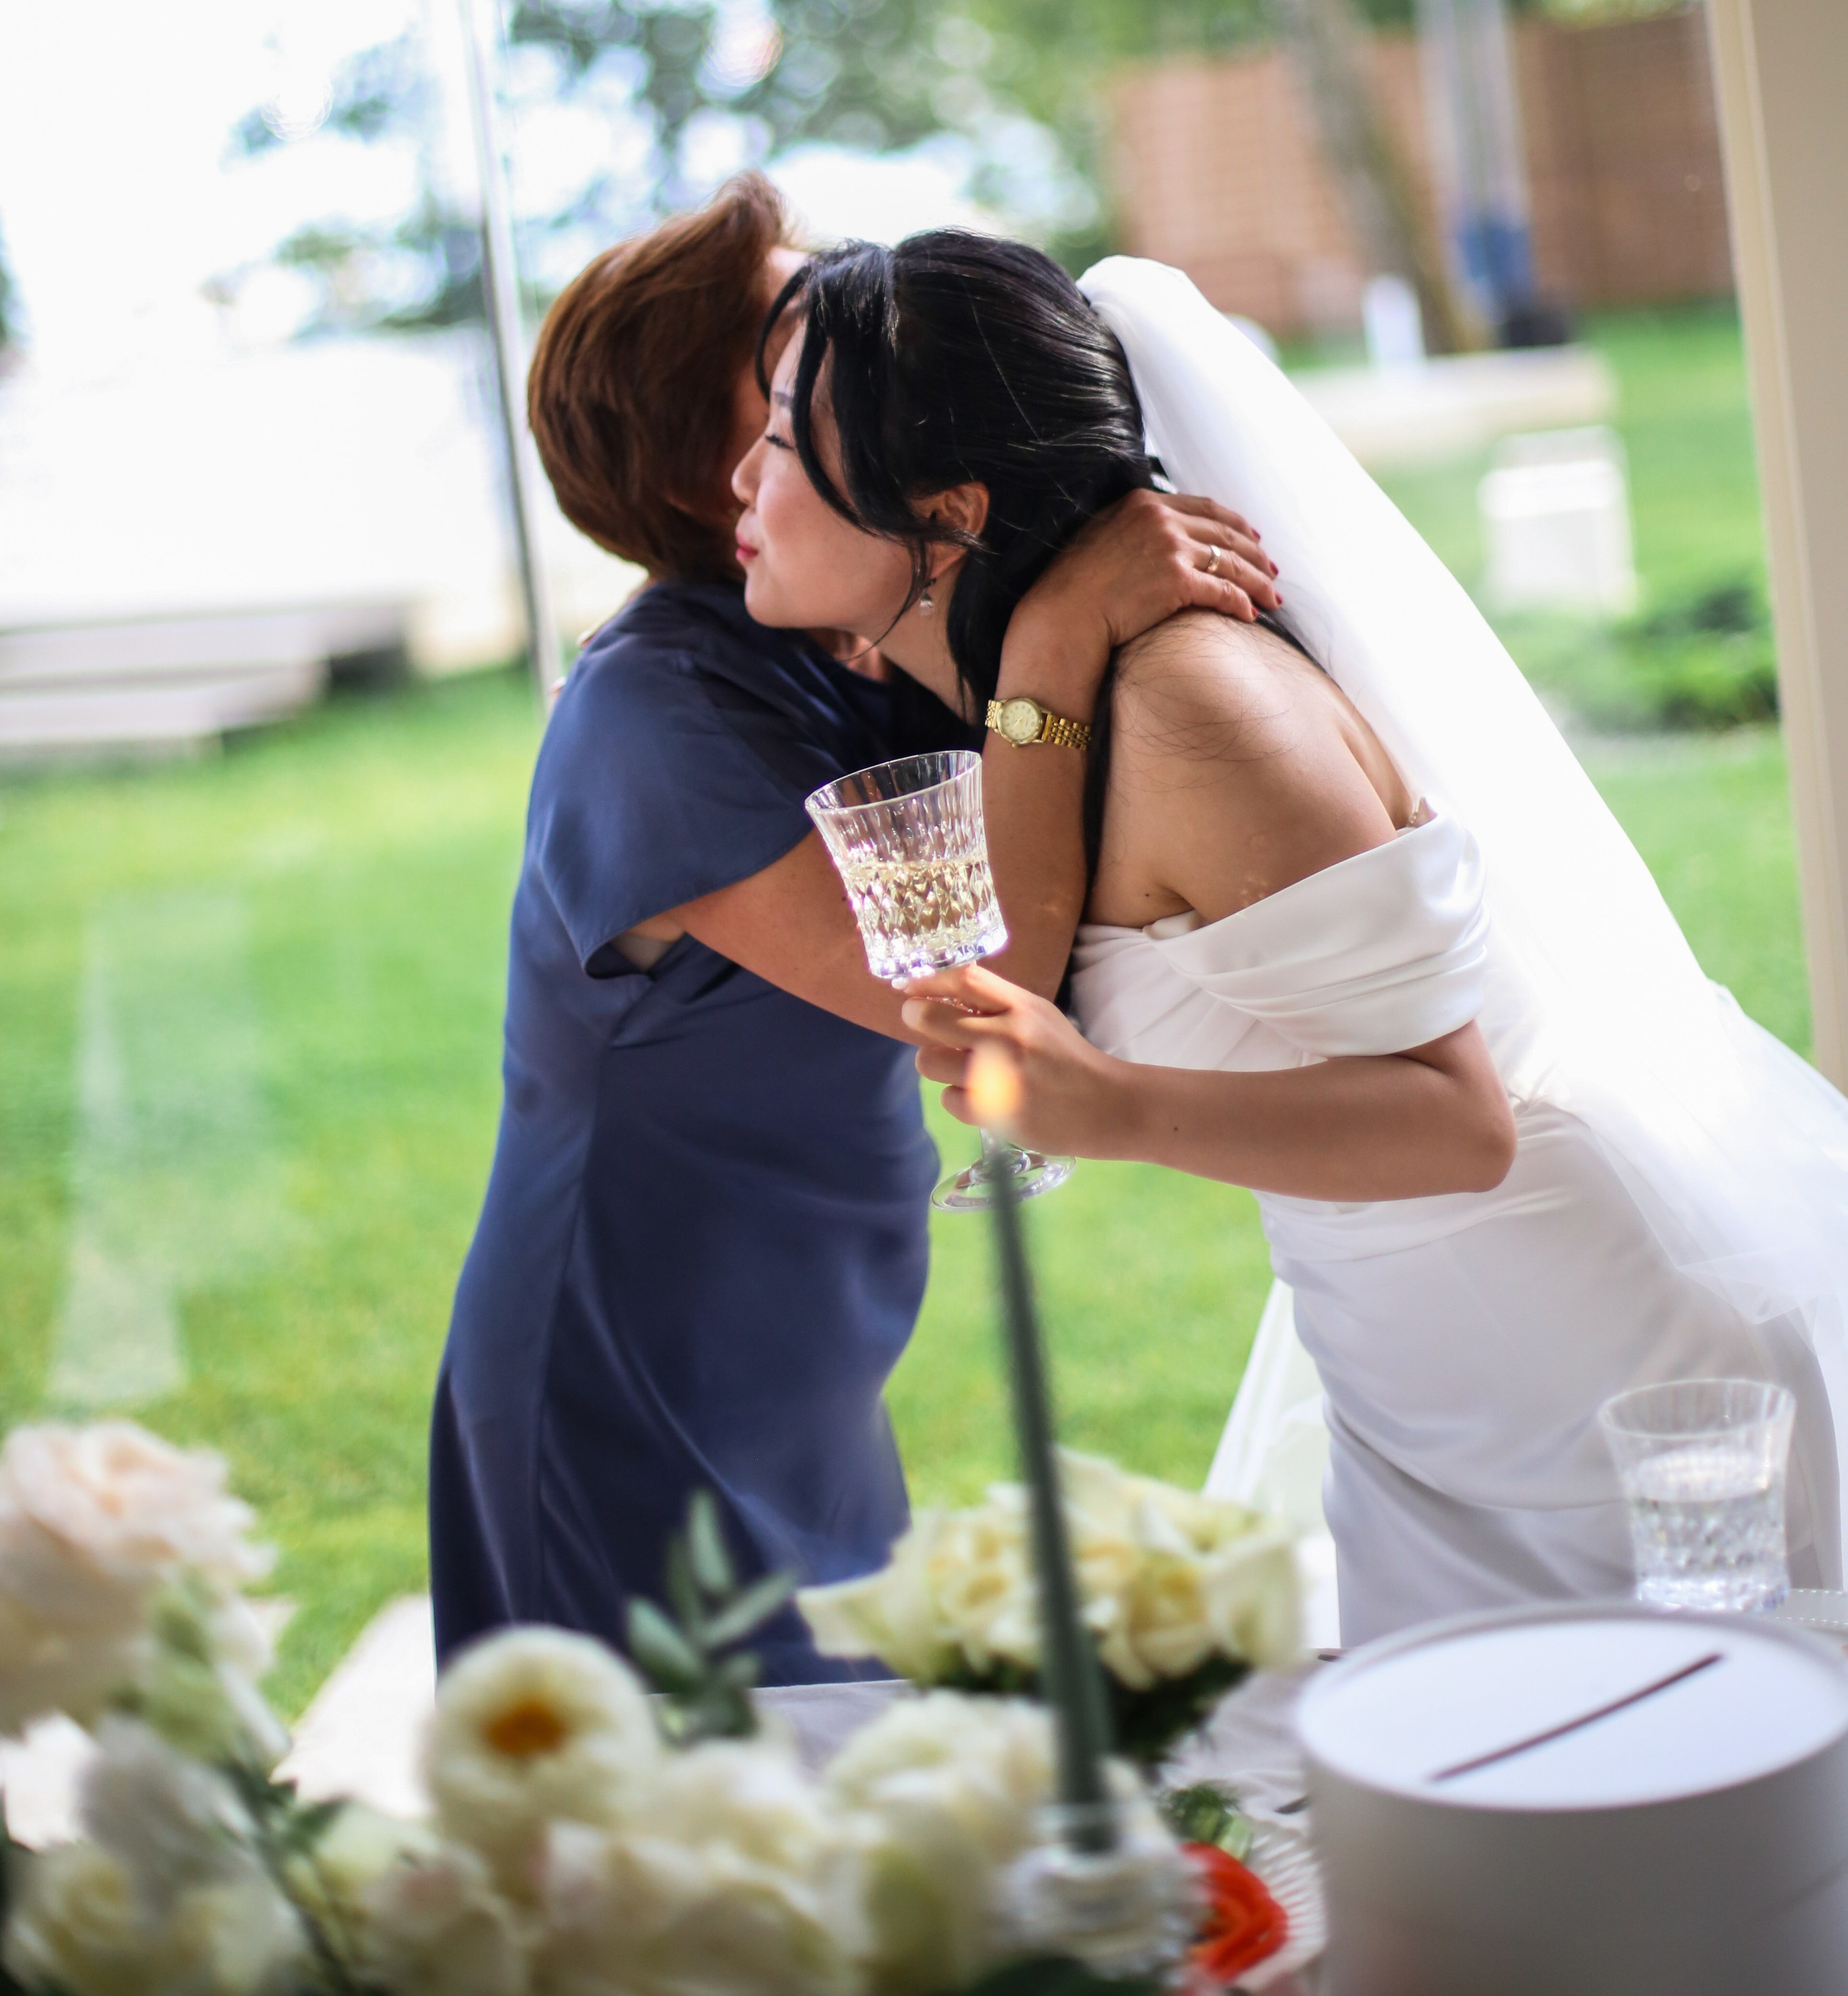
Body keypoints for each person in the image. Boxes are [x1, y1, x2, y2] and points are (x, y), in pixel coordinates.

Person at [731, 229, 1848, 1645]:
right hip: (1421, 1368)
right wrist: (1053, 639)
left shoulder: (1199, 711)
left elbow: (1460, 1124)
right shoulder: (1057, 696)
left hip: (1576, 1387)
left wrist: (1108, 1104)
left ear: (948, 519)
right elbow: (1011, 960)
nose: (741, 478)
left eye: (781, 441)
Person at [429, 177, 1276, 1678]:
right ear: (716, 463)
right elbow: (987, 991)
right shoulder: (653, 720)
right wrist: (1058, 640)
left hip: (801, 1352)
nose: (847, 334)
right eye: (789, 341)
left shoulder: (853, 631)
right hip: (630, 1380)